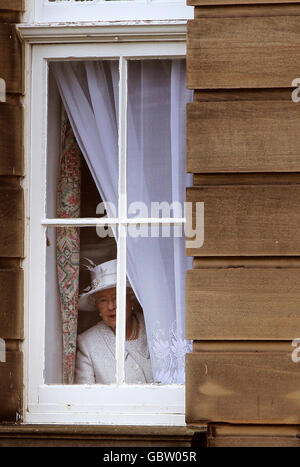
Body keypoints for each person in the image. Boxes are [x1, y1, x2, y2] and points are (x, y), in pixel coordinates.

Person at [75, 259, 153, 384]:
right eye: (103, 300)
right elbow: (85, 397)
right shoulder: (87, 343)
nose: (111, 306)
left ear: (131, 300)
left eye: (117, 297)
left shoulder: (154, 328)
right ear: (97, 307)